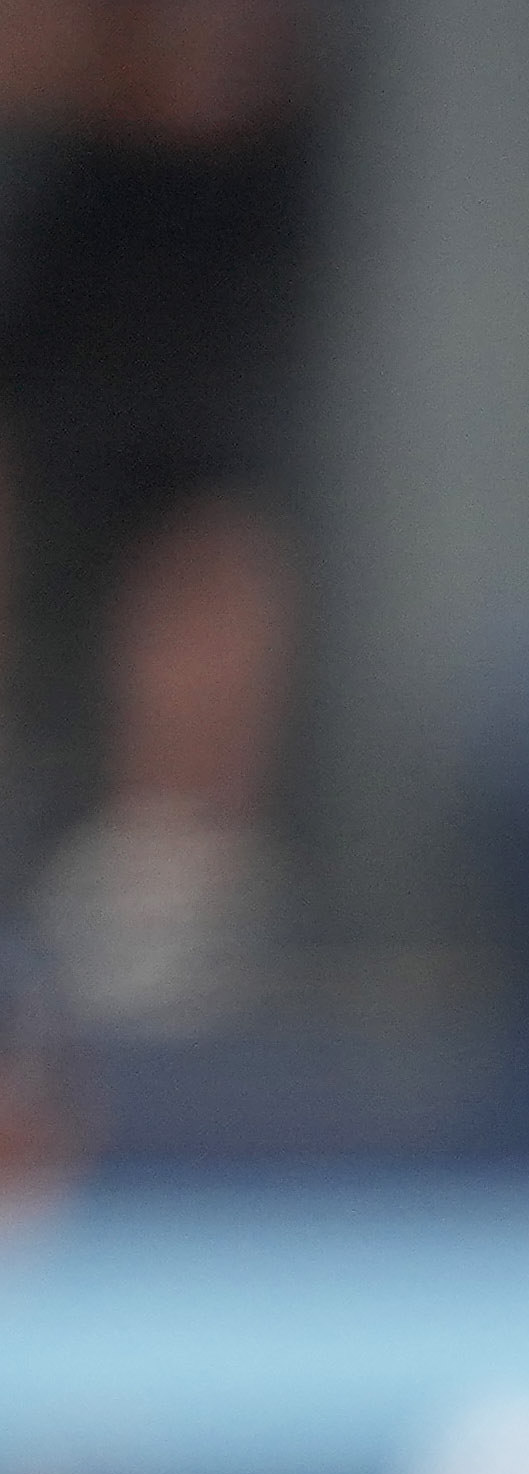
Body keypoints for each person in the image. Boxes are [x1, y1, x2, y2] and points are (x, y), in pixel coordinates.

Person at [0, 0, 328, 1034]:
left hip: (168, 211)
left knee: (195, 531)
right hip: (68, 194)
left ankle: (173, 864)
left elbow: (210, 76)